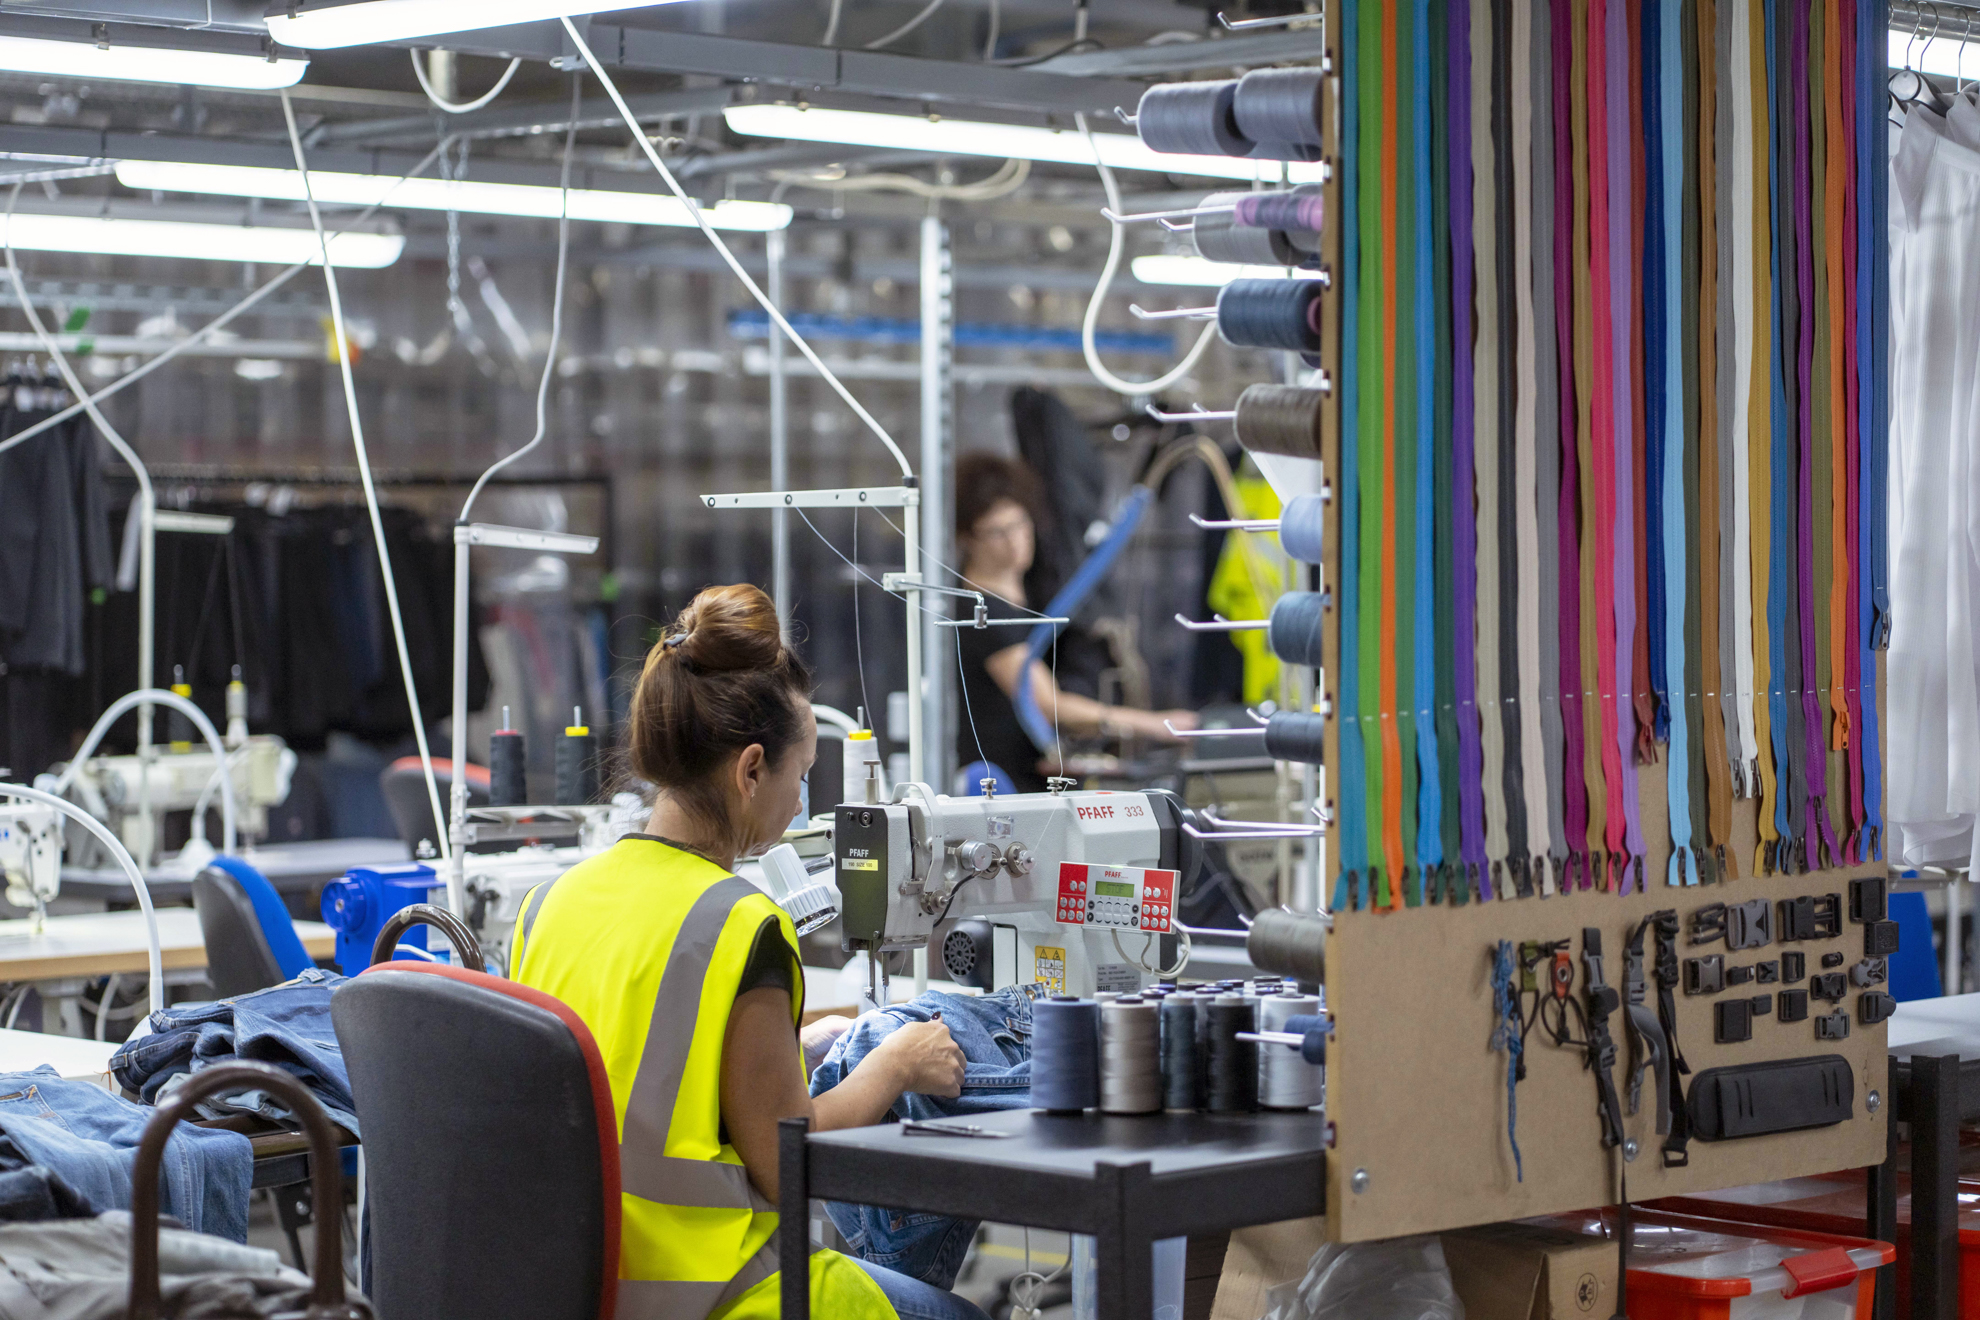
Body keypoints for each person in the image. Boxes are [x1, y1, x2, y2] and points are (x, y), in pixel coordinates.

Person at [510, 584, 987, 1320]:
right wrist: (895, 1064)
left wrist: (785, 1051)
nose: (801, 801)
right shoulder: (740, 924)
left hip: (582, 1284)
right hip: (715, 1294)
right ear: (752, 769)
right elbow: (785, 1163)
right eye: (802, 775)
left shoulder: (548, 904)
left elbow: (635, 1078)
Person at [953, 452, 1198, 791]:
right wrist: (1156, 725)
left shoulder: (1031, 586)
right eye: (997, 532)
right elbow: (1046, 703)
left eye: (1020, 524)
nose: (1014, 542)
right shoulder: (981, 612)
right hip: (1006, 784)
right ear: (967, 538)